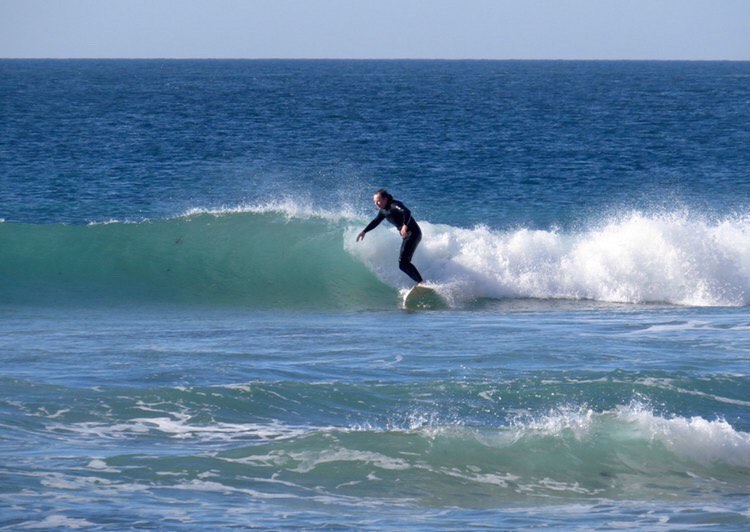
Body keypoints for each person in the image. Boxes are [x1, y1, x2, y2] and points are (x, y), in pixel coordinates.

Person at [357, 189, 424, 284]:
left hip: (414, 233)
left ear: (385, 199)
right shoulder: (383, 211)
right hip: (407, 236)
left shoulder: (394, 205)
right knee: (403, 264)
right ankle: (421, 282)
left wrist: (405, 225)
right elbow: (376, 221)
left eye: (378, 201)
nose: (376, 204)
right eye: (375, 202)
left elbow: (407, 212)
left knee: (403, 262)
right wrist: (364, 231)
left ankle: (421, 282)